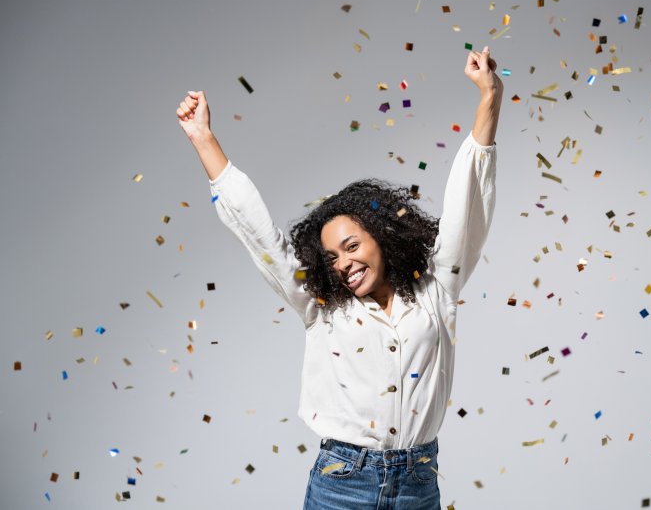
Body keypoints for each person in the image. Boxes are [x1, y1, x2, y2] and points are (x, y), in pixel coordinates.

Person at [176, 46, 502, 509]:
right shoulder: (319, 304)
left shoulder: (437, 288)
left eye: (352, 246)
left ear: (384, 238)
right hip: (342, 484)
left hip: (419, 483)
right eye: (331, 257)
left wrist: (489, 98)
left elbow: (468, 205)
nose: (343, 262)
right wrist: (204, 139)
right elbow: (262, 237)